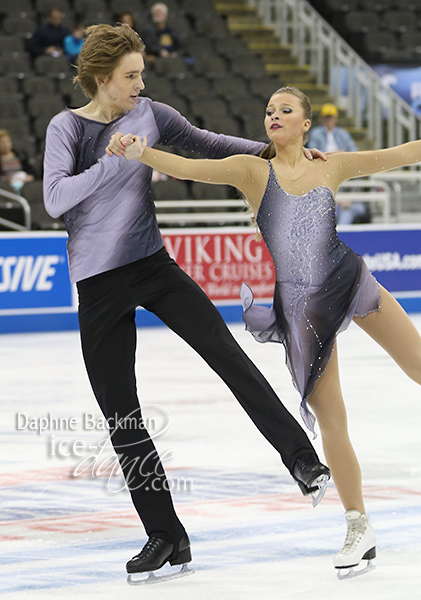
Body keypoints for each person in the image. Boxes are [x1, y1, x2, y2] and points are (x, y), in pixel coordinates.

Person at [116, 86, 421, 576]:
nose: (273, 116)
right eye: (269, 110)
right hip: (301, 308)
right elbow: (191, 167)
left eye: (284, 111)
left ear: (306, 123)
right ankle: (359, 526)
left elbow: (403, 153)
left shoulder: (329, 166)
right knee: (333, 417)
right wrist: (143, 152)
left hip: (347, 279)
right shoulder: (251, 171)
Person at [42, 26, 330, 579]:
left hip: (154, 267)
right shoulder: (66, 127)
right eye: (130, 76)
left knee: (228, 356)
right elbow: (55, 199)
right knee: (121, 413)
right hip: (98, 285)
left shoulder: (151, 114)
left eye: (141, 74)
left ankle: (301, 460)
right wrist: (115, 161)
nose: (140, 84)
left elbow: (208, 143)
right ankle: (166, 536)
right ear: (102, 79)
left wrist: (277, 151)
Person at [308, 103, 369, 225]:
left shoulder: (343, 134)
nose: (329, 120)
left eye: (331, 117)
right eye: (326, 117)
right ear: (322, 119)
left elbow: (354, 150)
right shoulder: (316, 134)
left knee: (346, 211)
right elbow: (313, 153)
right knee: (340, 211)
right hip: (325, 167)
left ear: (335, 119)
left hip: (342, 166)